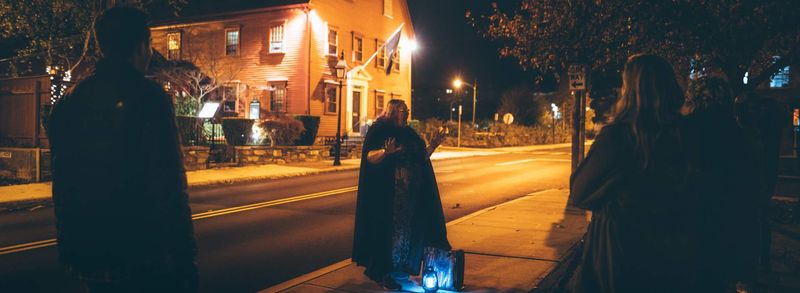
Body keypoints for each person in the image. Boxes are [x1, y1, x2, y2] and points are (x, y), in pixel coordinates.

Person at [46, 6, 198, 292]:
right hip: (141, 251)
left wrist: (70, 244)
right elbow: (168, 183)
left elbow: (63, 180)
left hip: (89, 249)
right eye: (150, 44)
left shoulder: (69, 101)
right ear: (141, 47)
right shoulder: (150, 99)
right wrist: (184, 257)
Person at [569, 54, 697, 292]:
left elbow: (579, 192)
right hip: (674, 253)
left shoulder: (619, 137)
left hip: (622, 253)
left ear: (631, 90)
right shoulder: (689, 134)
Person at [352, 99, 451, 290]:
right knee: (386, 234)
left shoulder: (410, 134)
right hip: (387, 196)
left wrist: (433, 145)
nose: (405, 113)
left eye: (406, 110)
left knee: (406, 235)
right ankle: (383, 274)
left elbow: (421, 157)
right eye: (401, 110)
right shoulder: (379, 131)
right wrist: (385, 152)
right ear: (391, 111)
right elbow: (369, 157)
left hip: (409, 197)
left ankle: (400, 268)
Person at [682, 76, 761, 292]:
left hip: (684, 234)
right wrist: (747, 264)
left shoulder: (680, 133)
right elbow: (748, 200)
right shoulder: (741, 138)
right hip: (724, 235)